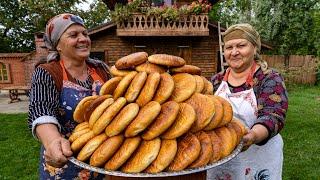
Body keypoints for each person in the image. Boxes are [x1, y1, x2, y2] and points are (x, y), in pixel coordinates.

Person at [27, 13, 111, 179]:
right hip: (64, 163)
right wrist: (52, 142)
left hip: (102, 160)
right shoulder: (47, 72)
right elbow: (41, 108)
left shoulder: (102, 70)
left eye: (85, 34)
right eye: (73, 35)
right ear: (58, 45)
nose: (83, 39)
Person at [207, 23, 288, 180]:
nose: (234, 52)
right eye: (229, 47)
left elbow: (273, 115)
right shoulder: (216, 80)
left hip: (259, 158)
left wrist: (253, 135)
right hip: (222, 159)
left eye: (241, 46)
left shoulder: (269, 79)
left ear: (255, 48)